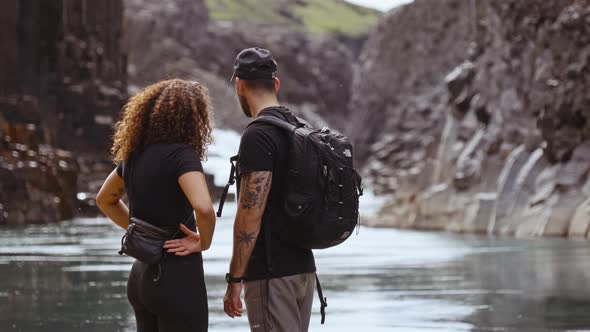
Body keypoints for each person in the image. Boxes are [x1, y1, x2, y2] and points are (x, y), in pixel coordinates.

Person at [96, 79, 216, 332]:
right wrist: (203, 241)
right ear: (195, 120)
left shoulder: (134, 155)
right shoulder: (182, 156)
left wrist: (140, 230)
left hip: (141, 276)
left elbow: (105, 199)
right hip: (176, 278)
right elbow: (204, 208)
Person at [223, 47, 316, 332]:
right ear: (276, 84)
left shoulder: (258, 135)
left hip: (270, 274)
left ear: (239, 84)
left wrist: (235, 279)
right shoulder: (301, 128)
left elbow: (250, 213)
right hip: (304, 270)